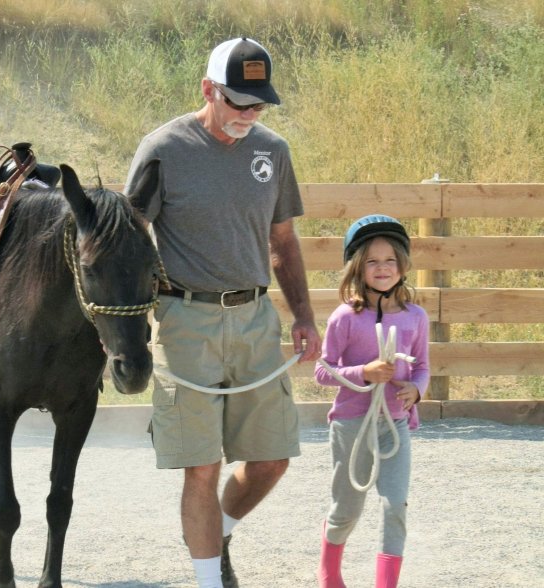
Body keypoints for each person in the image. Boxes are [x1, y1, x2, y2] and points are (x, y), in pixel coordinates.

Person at [124, 37, 321, 588]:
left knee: (272, 458)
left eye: (259, 104)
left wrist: (304, 316)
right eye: (239, 102)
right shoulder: (163, 149)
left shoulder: (272, 151)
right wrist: (126, 328)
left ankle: (220, 531)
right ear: (208, 89)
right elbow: (128, 241)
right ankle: (209, 579)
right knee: (202, 465)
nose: (250, 114)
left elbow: (283, 241)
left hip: (256, 319)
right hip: (186, 320)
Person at [314, 215, 430, 588]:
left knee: (395, 505)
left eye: (390, 260)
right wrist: (364, 372)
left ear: (403, 265)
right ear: (357, 267)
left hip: (395, 422)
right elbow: (323, 372)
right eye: (372, 261)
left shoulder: (416, 316)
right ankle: (329, 572)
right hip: (352, 424)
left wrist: (417, 390)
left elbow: (422, 366)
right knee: (347, 508)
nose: (382, 268)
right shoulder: (345, 317)